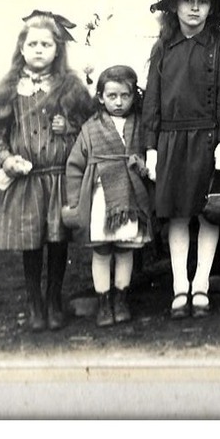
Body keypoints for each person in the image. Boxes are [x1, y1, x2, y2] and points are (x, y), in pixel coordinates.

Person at [142, 0, 220, 319]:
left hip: (208, 138)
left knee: (209, 212)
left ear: (210, 8)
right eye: (188, 1)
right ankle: (179, 286)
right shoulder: (163, 48)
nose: (195, 9)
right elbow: (152, 100)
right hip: (171, 140)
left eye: (202, 2)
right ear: (175, 7)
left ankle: (201, 283)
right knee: (178, 215)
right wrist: (152, 147)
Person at [0, 11, 94, 332]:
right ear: (21, 48)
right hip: (27, 181)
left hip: (58, 177)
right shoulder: (10, 88)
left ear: (58, 50)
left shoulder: (70, 86)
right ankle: (34, 304)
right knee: (31, 242)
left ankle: (53, 300)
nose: (39, 50)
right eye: (32, 44)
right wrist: (6, 159)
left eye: (46, 44)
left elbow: (90, 127)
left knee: (58, 241)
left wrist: (69, 126)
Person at [62, 66, 153, 328]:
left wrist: (143, 163)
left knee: (125, 248)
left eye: (125, 96)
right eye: (112, 96)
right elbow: (75, 165)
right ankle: (103, 302)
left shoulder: (140, 125)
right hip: (101, 198)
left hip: (130, 197)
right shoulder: (91, 129)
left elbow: (149, 155)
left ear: (133, 97)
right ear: (101, 97)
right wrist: (75, 200)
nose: (118, 102)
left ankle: (121, 299)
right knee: (102, 250)